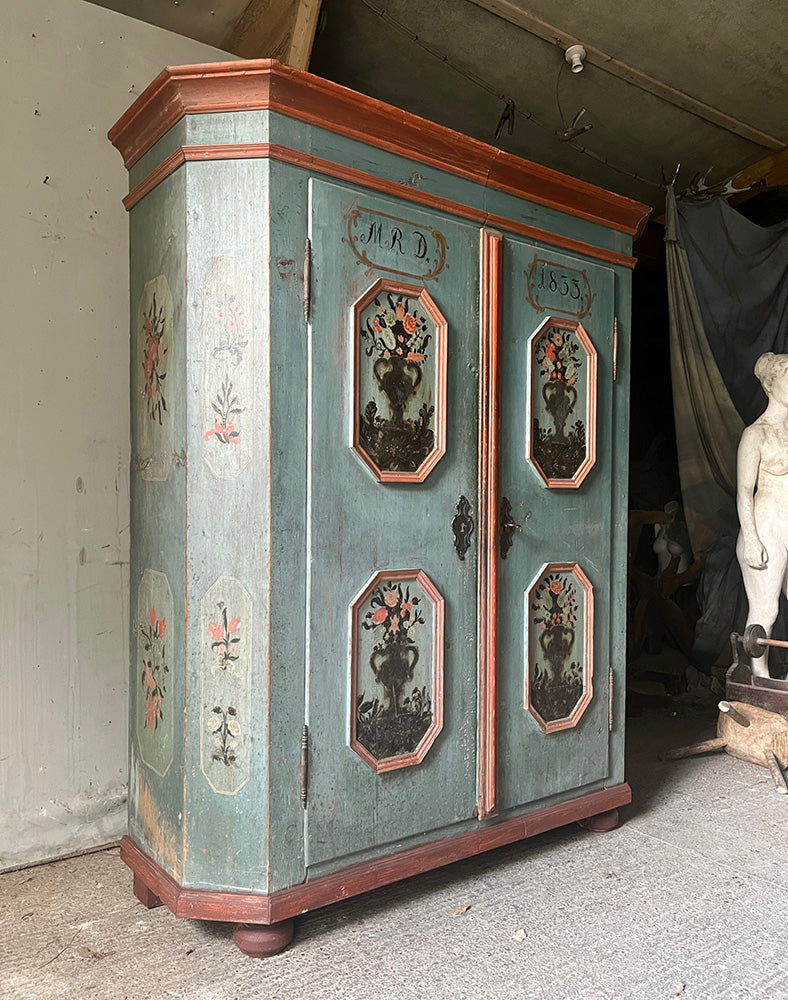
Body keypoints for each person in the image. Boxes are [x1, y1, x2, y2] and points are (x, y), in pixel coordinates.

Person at [736, 352, 788, 677]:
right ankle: (760, 678)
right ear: (771, 384)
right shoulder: (755, 434)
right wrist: (752, 539)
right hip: (765, 529)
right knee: (765, 609)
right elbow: (744, 491)